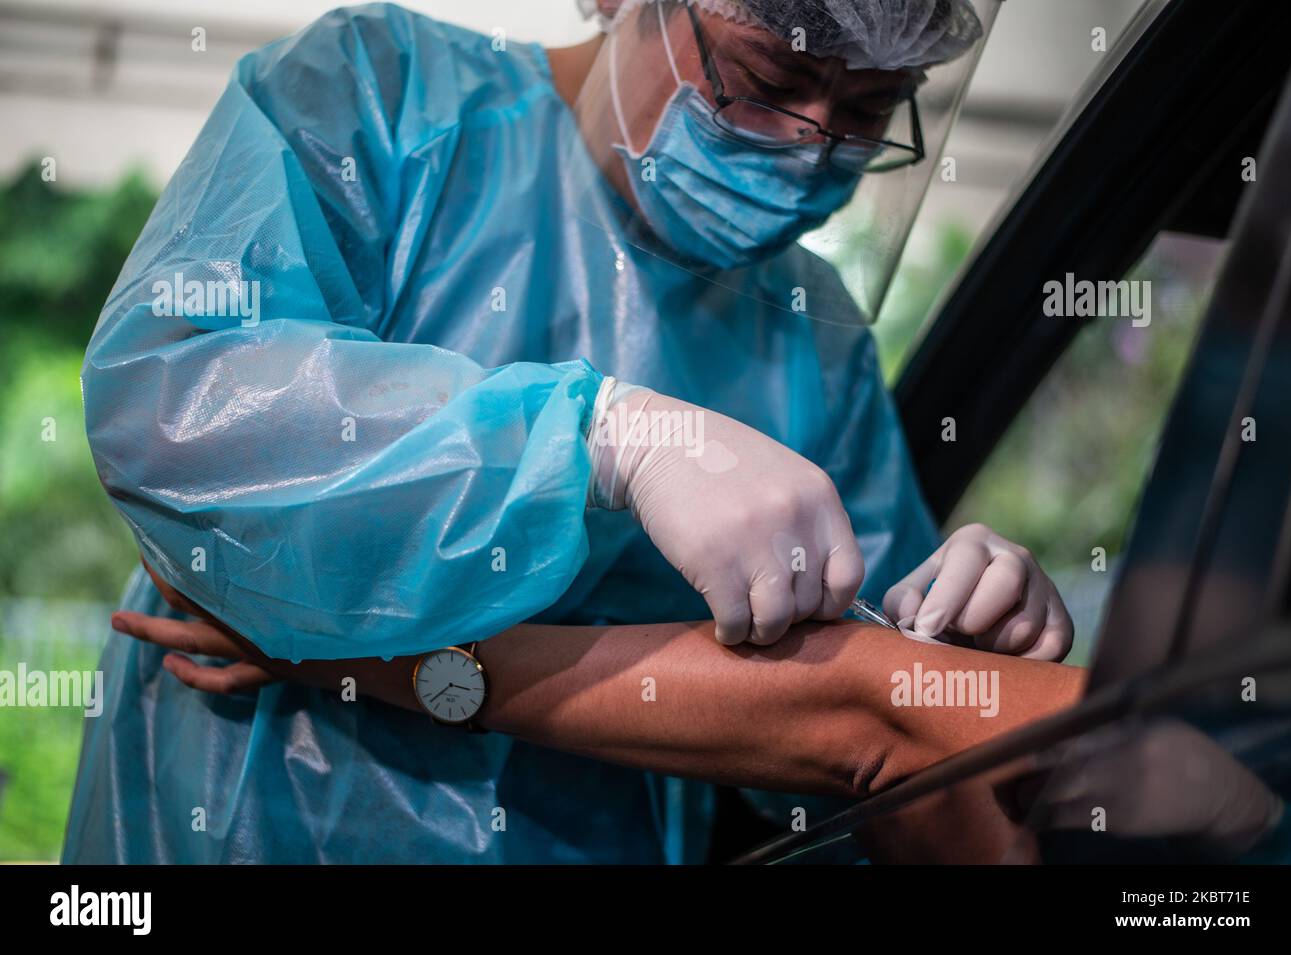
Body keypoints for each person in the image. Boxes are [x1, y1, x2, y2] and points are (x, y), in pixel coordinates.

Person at [67, 0, 1072, 864]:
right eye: (771, 79)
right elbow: (174, 409)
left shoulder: (811, 336)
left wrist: (952, 632)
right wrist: (592, 438)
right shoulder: (375, 101)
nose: (810, 145)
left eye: (862, 112)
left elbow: (843, 732)